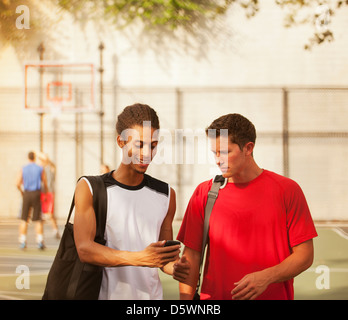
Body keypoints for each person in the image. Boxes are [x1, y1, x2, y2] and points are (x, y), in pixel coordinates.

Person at [177, 113, 318, 300]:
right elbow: (191, 259)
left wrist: (266, 277)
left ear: (248, 148)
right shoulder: (204, 193)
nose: (218, 160)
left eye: (226, 152)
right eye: (215, 153)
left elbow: (304, 255)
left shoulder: (287, 190)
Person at [73, 103, 189, 300]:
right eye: (139, 144)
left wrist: (176, 267)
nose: (146, 153)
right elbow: (85, 249)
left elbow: (164, 260)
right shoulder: (90, 188)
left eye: (152, 146)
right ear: (121, 141)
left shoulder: (166, 195)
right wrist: (140, 258)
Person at [16, 151, 48, 250]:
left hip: (27, 193)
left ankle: (22, 241)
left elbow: (17, 183)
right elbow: (45, 182)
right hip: (36, 194)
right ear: (34, 158)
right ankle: (40, 241)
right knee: (38, 219)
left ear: (28, 158)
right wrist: (45, 193)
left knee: (24, 219)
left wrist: (22, 192)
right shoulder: (40, 168)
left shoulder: (23, 168)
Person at [38, 152, 60, 239]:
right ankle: (40, 236)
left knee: (50, 214)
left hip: (49, 193)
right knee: (41, 215)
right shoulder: (40, 168)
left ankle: (55, 231)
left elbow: (52, 167)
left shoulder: (50, 167)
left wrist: (46, 159)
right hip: (43, 193)